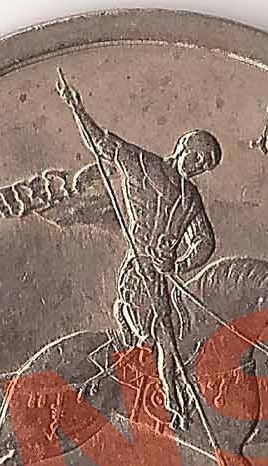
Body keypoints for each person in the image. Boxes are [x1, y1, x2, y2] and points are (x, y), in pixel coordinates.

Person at [60, 74, 222, 425]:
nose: (200, 166)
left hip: (161, 275)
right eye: (199, 157)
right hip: (137, 268)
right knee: (148, 335)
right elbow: (104, 145)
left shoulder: (190, 198)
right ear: (184, 147)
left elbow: (204, 241)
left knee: (169, 339)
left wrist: (179, 264)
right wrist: (77, 110)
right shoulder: (144, 165)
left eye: (206, 165)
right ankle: (108, 377)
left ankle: (173, 401)